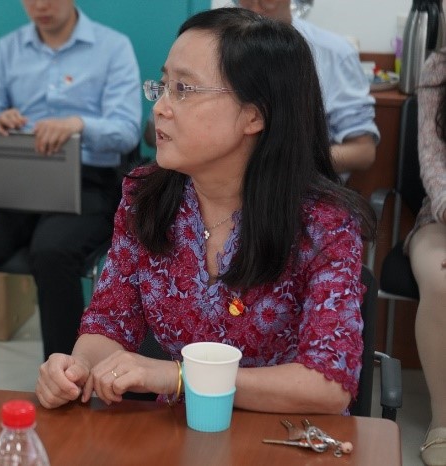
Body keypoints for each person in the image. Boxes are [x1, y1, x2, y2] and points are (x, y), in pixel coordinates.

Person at [35, 7, 376, 414]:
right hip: (181, 428)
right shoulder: (146, 197)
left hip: (285, 432)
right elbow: (109, 322)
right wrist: (78, 367)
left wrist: (179, 377)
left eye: (183, 89)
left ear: (254, 115)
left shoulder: (325, 223)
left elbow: (328, 384)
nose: (160, 108)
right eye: (163, 86)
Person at [0, 0, 141, 387]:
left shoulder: (112, 47)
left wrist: (78, 125)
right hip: (18, 177)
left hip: (85, 178)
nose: (40, 5)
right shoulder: (9, 48)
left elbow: (126, 130)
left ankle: (66, 379)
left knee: (53, 250)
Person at [144, 0, 379, 176]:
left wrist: (278, 163)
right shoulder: (207, 44)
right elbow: (153, 129)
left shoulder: (334, 53)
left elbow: (363, 151)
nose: (255, 7)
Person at [405, 47, 446, 466]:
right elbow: (432, 161)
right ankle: (443, 422)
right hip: (441, 216)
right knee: (441, 279)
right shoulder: (439, 66)